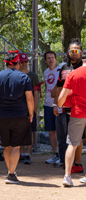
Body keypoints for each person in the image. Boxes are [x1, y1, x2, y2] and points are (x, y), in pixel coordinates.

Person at [0, 50, 34, 184]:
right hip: (20, 115)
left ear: (6, 63)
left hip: (2, 115)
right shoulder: (24, 77)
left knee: (7, 146)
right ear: (18, 63)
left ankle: (10, 171)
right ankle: (11, 174)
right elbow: (30, 98)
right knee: (16, 147)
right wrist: (31, 113)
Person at [53, 38, 86, 172]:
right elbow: (58, 88)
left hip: (82, 108)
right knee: (74, 139)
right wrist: (56, 105)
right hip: (68, 109)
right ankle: (77, 165)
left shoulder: (83, 67)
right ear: (68, 52)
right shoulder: (64, 68)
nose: (74, 53)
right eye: (72, 51)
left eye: (77, 51)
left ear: (81, 52)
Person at [58, 50, 86, 186]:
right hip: (79, 112)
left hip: (78, 112)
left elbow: (63, 95)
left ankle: (67, 177)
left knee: (72, 145)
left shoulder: (74, 73)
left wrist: (59, 103)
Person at [19, 53, 39, 164]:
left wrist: (34, 109)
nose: (24, 64)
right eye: (22, 62)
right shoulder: (16, 74)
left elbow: (36, 93)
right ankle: (22, 153)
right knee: (21, 132)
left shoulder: (33, 76)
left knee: (30, 131)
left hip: (30, 108)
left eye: (25, 62)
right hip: (19, 109)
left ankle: (28, 154)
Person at [43, 51, 59, 164]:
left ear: (56, 59)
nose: (51, 60)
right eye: (48, 58)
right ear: (45, 60)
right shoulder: (45, 72)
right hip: (47, 105)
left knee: (61, 131)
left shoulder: (60, 71)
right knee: (51, 132)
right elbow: (46, 87)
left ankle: (64, 155)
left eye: (52, 57)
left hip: (59, 106)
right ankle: (55, 154)